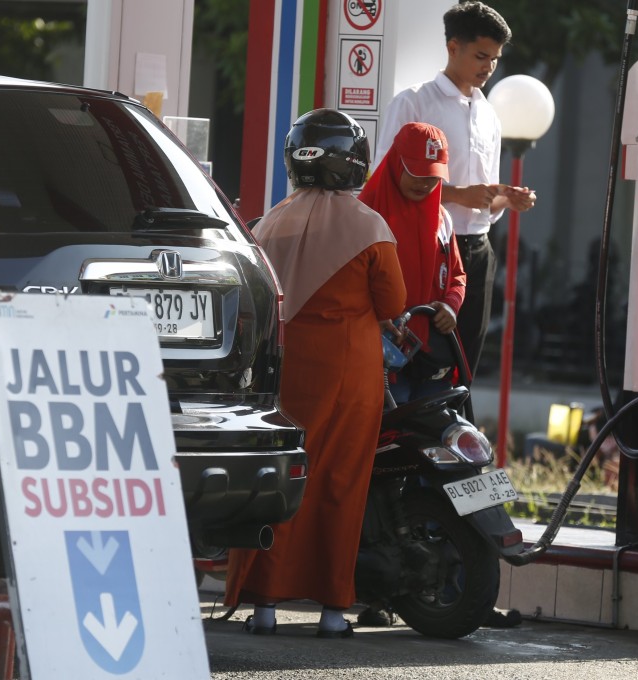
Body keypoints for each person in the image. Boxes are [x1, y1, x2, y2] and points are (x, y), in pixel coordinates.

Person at [224, 108, 406, 638]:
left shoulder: (263, 223)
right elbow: (394, 300)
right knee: (339, 484)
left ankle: (264, 606)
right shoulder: (370, 226)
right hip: (349, 377)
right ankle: (331, 609)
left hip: (280, 373)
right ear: (351, 164)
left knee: (278, 480)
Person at [373, 1, 537, 379]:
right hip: (426, 247)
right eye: (482, 56)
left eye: (495, 59)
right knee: (415, 358)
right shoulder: (414, 101)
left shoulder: (488, 114)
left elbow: (483, 197)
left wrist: (505, 199)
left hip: (477, 249)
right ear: (453, 47)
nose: (488, 67)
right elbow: (387, 181)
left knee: (465, 363)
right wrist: (459, 194)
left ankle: (455, 432)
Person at [358, 122, 466, 404]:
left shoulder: (443, 219)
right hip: (379, 359)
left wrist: (450, 305)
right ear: (395, 163)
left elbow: (457, 275)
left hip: (431, 361)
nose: (424, 184)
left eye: (432, 176)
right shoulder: (364, 215)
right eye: (416, 173)